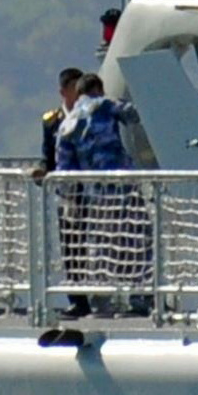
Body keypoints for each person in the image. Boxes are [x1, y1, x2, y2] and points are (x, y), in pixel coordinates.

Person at [56, 73, 150, 317]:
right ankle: (140, 297)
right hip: (123, 185)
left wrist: (69, 199)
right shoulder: (105, 105)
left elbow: (65, 168)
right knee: (137, 239)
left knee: (101, 245)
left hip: (95, 192)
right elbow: (133, 114)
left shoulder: (67, 123)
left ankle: (101, 302)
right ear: (98, 89)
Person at [33, 68, 86, 317]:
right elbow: (48, 157)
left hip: (93, 189)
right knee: (72, 246)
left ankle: (113, 294)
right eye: (74, 90)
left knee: (105, 244)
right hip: (69, 192)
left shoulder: (90, 117)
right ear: (63, 91)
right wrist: (42, 172)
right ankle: (78, 298)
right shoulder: (52, 121)